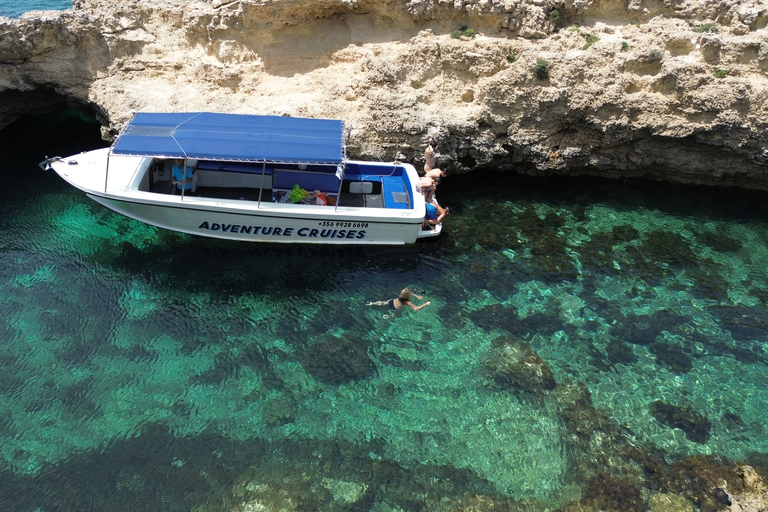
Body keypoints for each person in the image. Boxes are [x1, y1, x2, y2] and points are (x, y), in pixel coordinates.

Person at [366, 288, 431, 313]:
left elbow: (407, 293)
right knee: (395, 315)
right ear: (408, 296)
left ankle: (372, 303)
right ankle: (389, 316)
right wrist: (425, 304)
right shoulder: (407, 301)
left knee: (383, 303)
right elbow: (415, 308)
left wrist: (417, 296)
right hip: (394, 308)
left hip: (391, 301)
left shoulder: (401, 295)